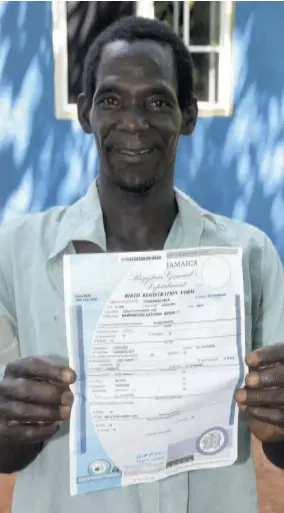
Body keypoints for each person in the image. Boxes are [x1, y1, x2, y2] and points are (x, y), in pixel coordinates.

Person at [0, 15, 283, 513]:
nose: (133, 121)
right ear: (85, 113)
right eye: (111, 100)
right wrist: (11, 423)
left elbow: (279, 445)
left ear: (189, 116)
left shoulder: (250, 255)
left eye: (158, 101)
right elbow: (6, 455)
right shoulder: (14, 253)